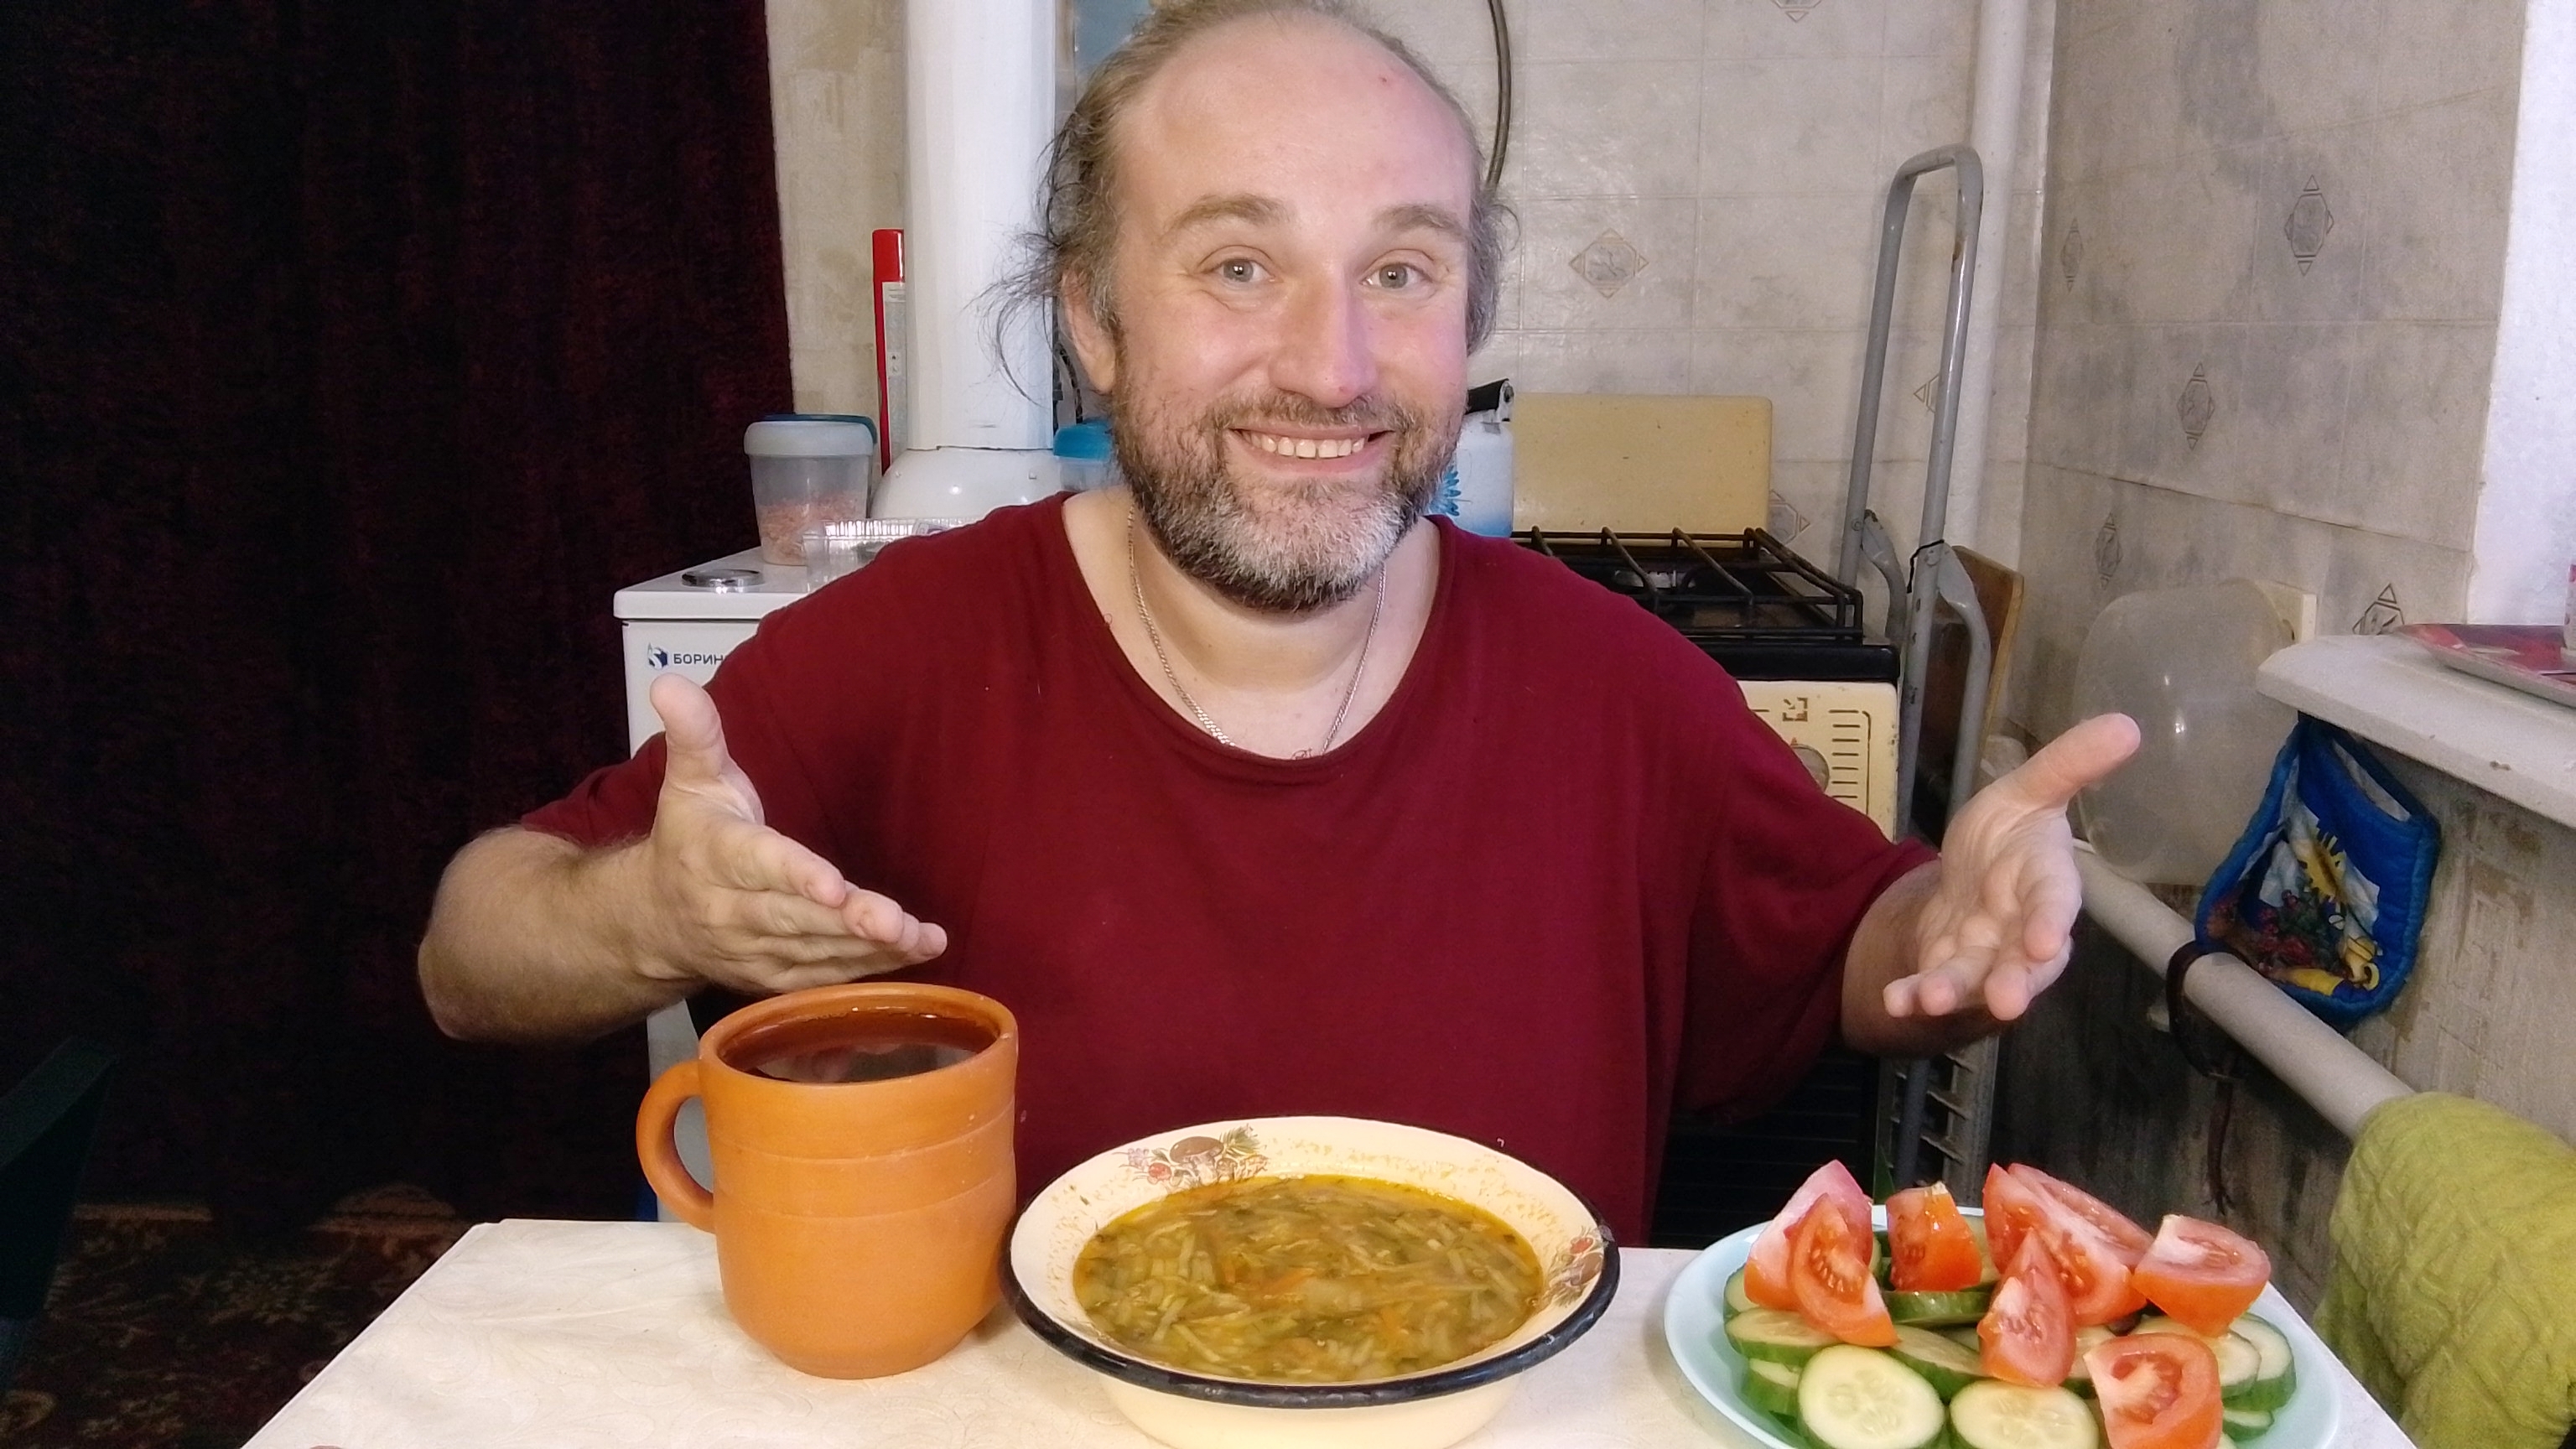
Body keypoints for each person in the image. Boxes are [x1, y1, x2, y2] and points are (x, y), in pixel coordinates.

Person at [417, 0, 2139, 1239]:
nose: (1332, 366)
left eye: (1400, 271)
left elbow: (1850, 959)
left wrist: (1955, 929)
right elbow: (468, 957)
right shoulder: (906, 651)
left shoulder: (1616, 688)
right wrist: (652, 910)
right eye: (1239, 265)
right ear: (1095, 321)